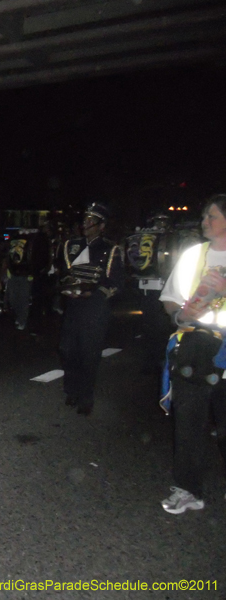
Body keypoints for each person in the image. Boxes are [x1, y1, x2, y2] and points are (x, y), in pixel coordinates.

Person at [158, 194, 226, 514]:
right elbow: (170, 297)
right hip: (194, 344)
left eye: (211, 217)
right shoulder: (193, 255)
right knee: (188, 421)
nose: (204, 223)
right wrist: (178, 317)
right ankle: (188, 489)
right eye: (204, 217)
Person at [57, 203, 125, 416]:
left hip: (95, 307)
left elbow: (116, 283)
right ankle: (72, 388)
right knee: (67, 349)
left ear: (101, 225)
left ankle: (85, 397)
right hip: (74, 304)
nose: (85, 224)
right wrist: (66, 287)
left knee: (89, 353)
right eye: (84, 219)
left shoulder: (110, 249)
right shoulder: (71, 245)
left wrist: (94, 294)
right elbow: (63, 272)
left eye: (90, 220)